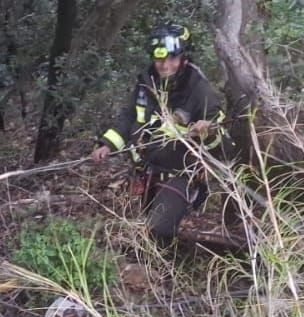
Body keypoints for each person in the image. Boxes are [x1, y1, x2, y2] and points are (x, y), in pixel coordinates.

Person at [90, 24, 226, 244]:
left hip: (181, 174)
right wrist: (107, 144)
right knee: (150, 226)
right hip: (147, 171)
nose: (165, 65)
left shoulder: (198, 88)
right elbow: (128, 117)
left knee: (158, 228)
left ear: (183, 58)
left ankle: (162, 272)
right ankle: (158, 263)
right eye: (160, 59)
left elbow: (219, 136)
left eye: (172, 59)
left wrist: (207, 131)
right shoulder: (146, 84)